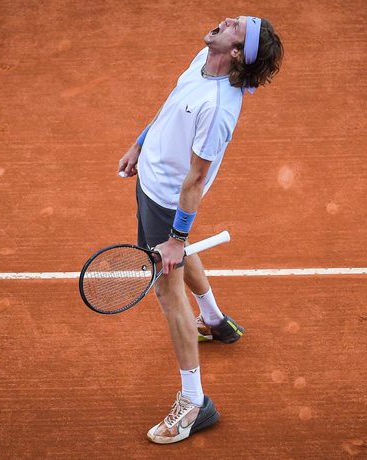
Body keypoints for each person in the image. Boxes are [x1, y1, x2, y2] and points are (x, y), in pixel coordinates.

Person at [117, 15, 283, 444]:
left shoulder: (218, 110)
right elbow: (172, 102)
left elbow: (194, 180)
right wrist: (141, 141)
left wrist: (177, 237)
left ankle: (195, 403)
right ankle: (215, 320)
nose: (227, 20)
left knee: (167, 293)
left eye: (237, 30)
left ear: (234, 54)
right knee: (175, 257)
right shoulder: (204, 58)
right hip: (150, 180)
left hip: (167, 200)